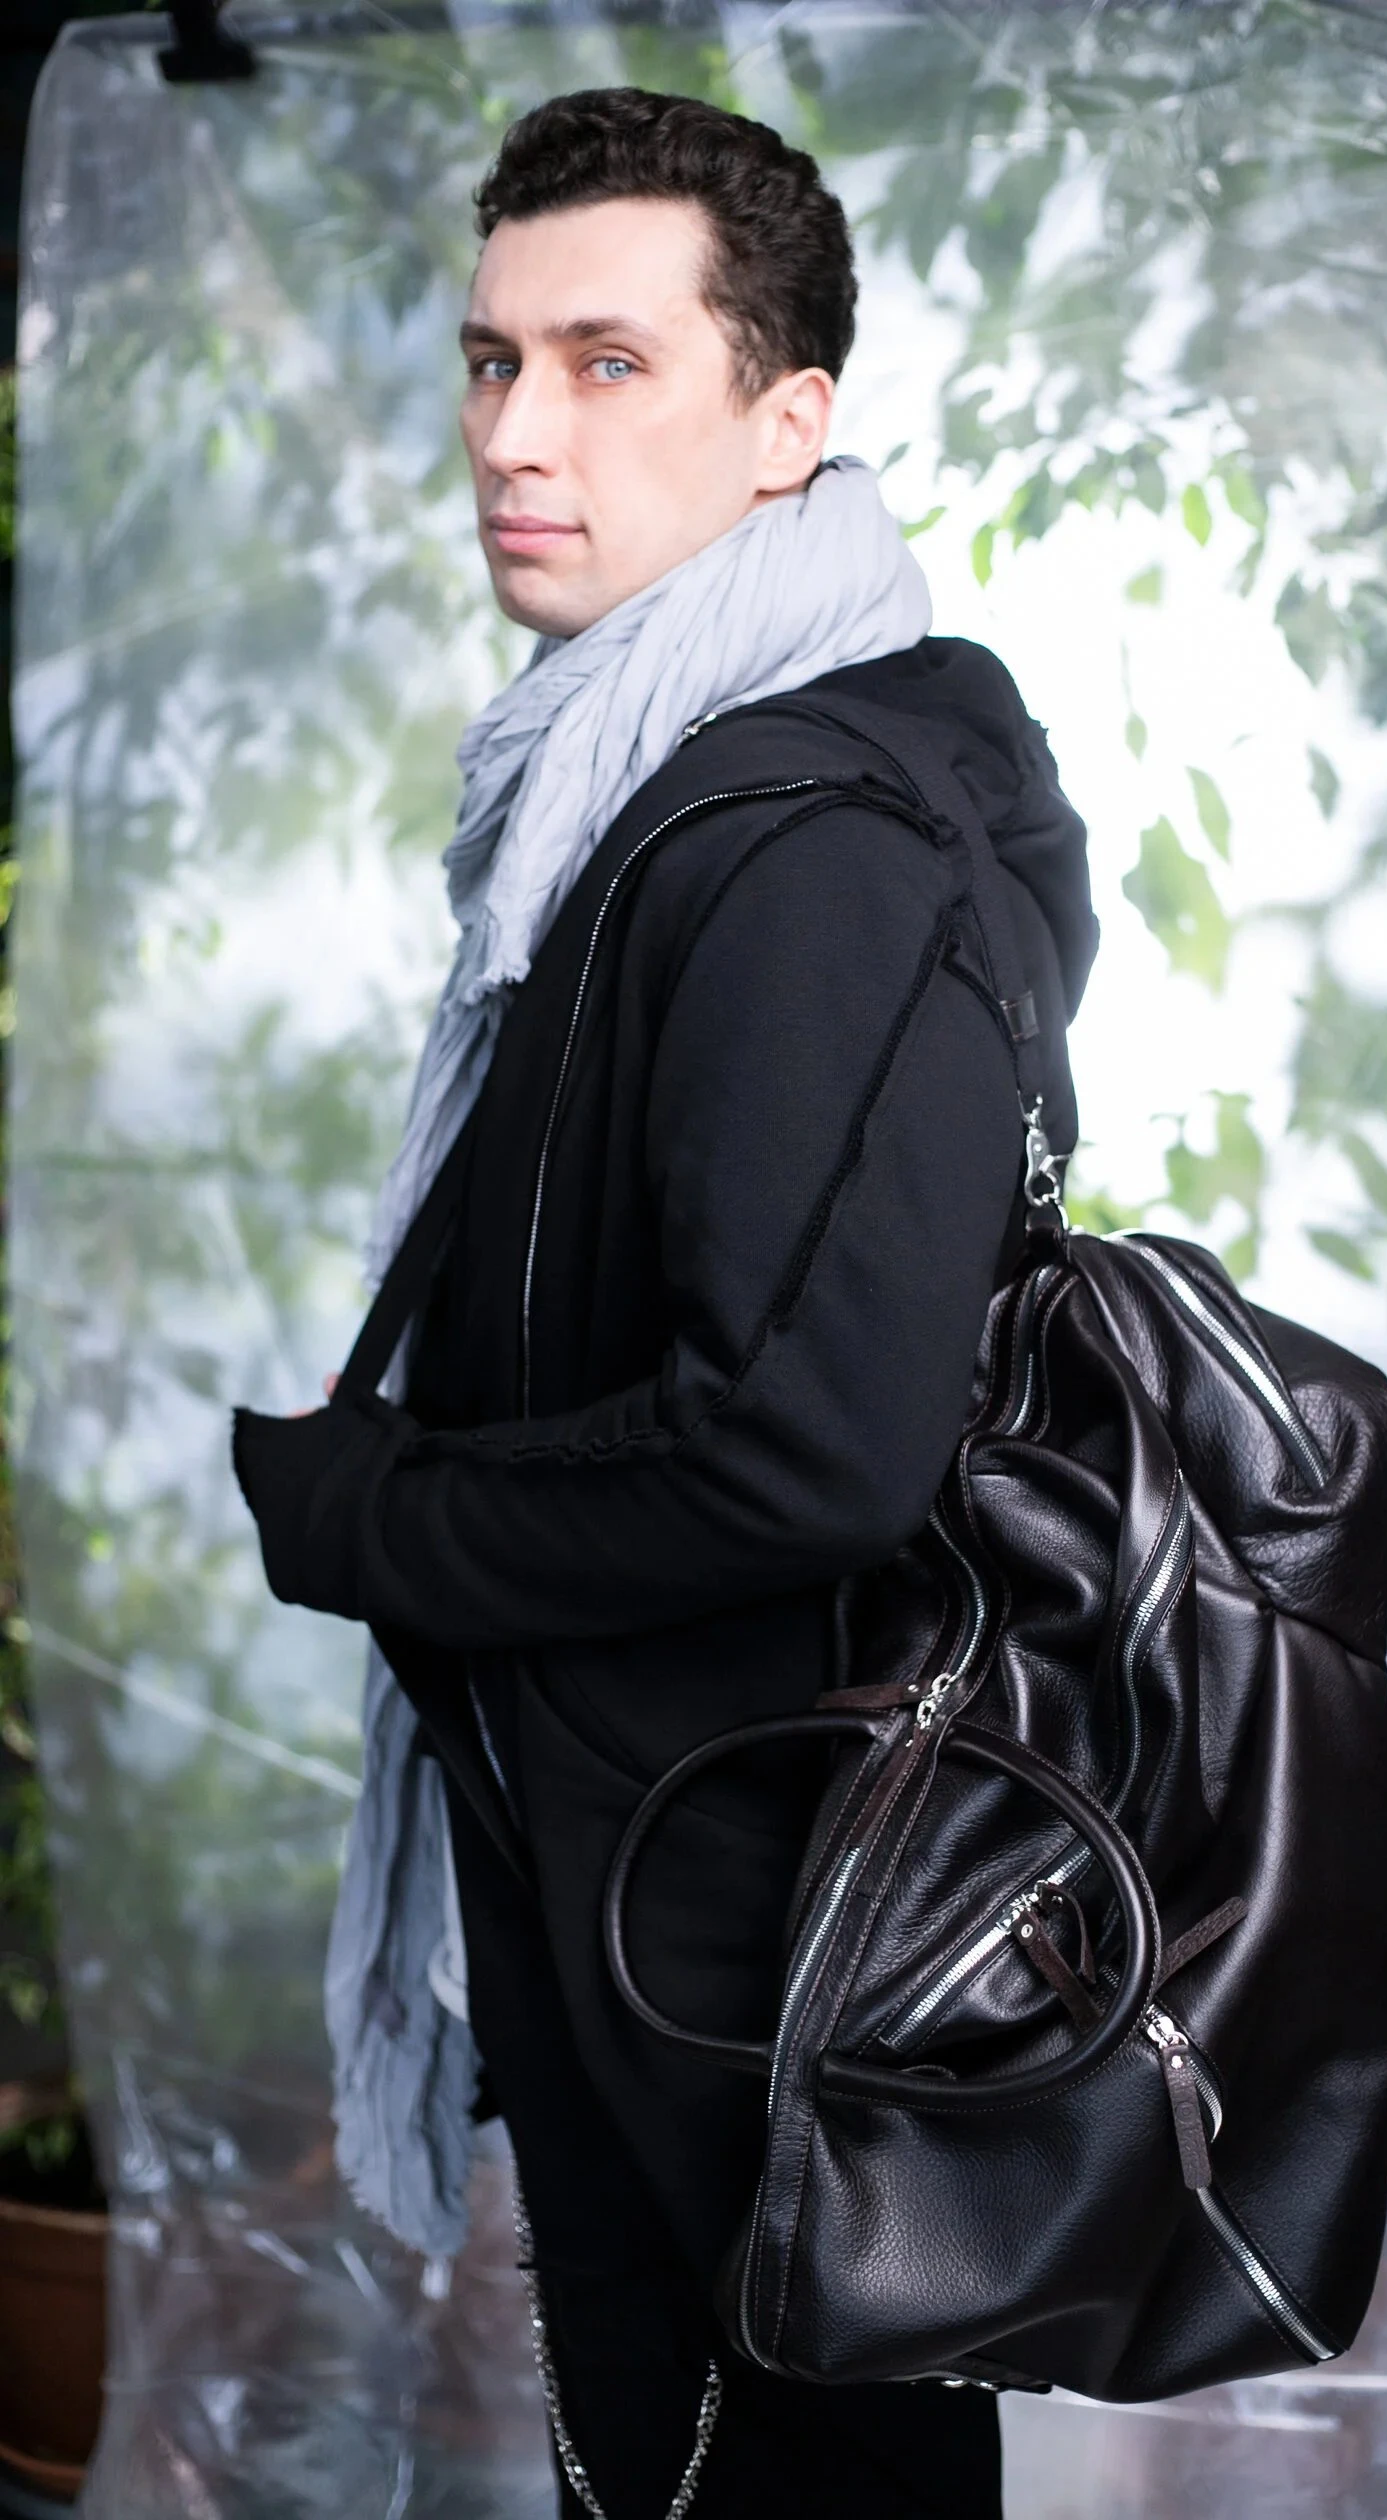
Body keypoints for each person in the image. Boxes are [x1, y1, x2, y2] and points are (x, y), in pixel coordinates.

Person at [233, 86, 1096, 2520]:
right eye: (491, 361)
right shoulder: (642, 786)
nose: (518, 432)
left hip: (752, 1941)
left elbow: (807, 1445)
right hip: (669, 1886)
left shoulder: (801, 834)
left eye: (608, 363)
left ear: (786, 419)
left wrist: (382, 1517)